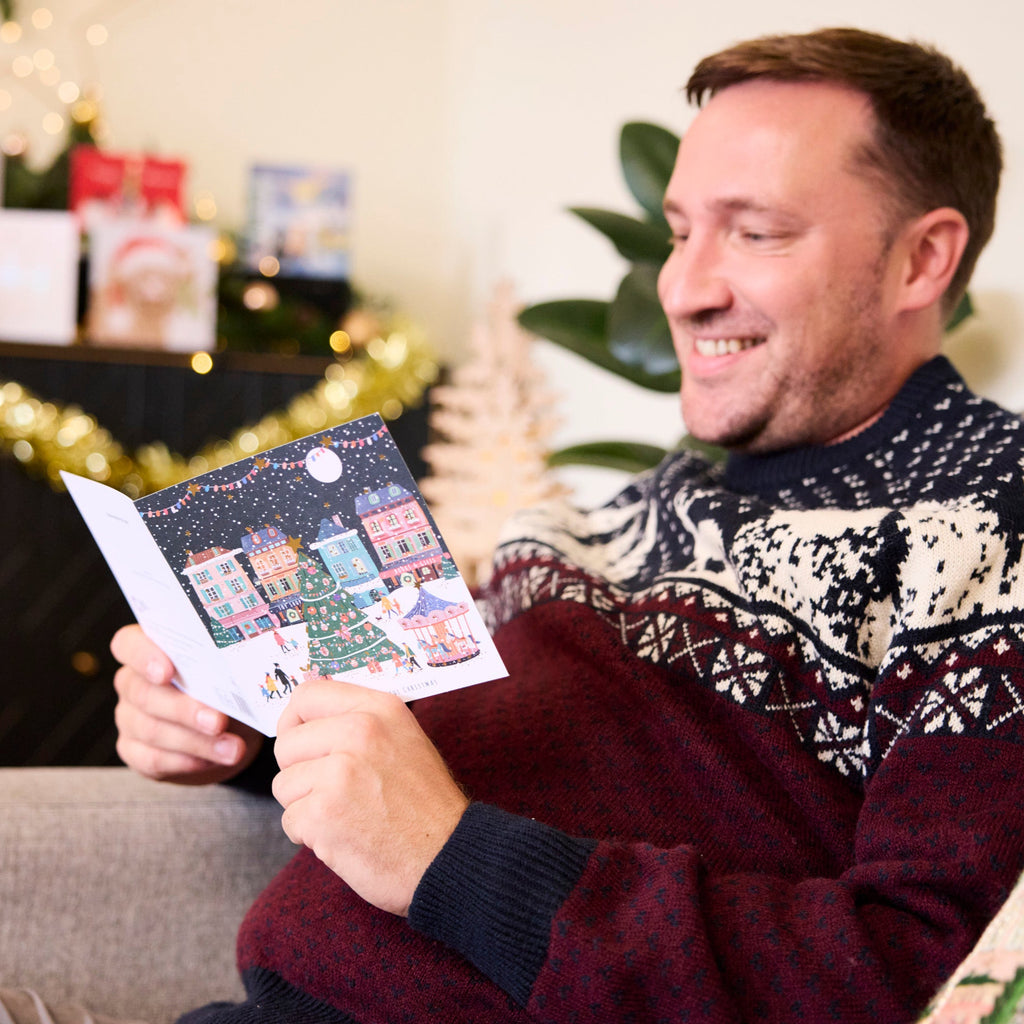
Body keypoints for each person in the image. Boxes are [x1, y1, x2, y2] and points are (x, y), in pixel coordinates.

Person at [6, 25, 1023, 1024]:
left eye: (754, 233)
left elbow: (924, 974)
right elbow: (480, 752)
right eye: (678, 232)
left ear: (921, 260)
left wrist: (449, 859)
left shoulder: (989, 525)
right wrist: (244, 725)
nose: (682, 287)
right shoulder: (647, 504)